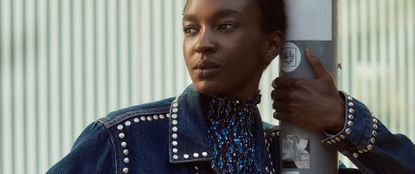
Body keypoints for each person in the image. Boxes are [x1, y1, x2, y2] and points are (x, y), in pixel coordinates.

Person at [47, 0, 415, 173]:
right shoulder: (123, 140)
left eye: (225, 26)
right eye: (191, 28)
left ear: (271, 45)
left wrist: (341, 118)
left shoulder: (290, 155)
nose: (201, 43)